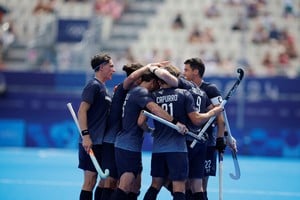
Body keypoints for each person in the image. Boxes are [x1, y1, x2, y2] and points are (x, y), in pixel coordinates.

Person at [142, 64, 224, 200]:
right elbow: (203, 117)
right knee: (195, 185)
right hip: (193, 141)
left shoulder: (155, 95)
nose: (184, 74)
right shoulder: (195, 92)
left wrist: (149, 130)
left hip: (176, 143)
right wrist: (214, 114)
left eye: (186, 70)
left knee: (158, 183)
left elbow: (141, 120)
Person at [110, 68, 188, 200]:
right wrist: (176, 122)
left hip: (125, 143)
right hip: (129, 144)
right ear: (152, 82)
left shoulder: (132, 91)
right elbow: (154, 108)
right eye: (157, 84)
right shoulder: (142, 92)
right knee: (125, 183)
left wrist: (149, 130)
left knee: (133, 185)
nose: (158, 87)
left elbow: (141, 121)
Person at [101, 62, 162, 200]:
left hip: (123, 140)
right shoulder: (127, 90)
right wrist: (150, 66)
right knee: (111, 183)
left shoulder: (130, 92)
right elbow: (141, 120)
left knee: (132, 183)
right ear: (139, 78)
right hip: (114, 140)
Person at [183, 57, 237, 200]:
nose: (183, 73)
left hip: (206, 142)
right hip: (189, 141)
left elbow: (220, 116)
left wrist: (222, 138)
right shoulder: (185, 88)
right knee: (188, 182)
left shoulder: (210, 89)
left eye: (186, 70)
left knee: (201, 183)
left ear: (196, 71)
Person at [77, 53, 116, 200]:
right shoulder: (93, 85)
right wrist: (86, 136)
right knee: (90, 180)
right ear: (102, 67)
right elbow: (82, 111)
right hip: (91, 142)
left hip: (100, 142)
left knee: (103, 180)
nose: (113, 69)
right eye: (111, 66)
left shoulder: (104, 88)